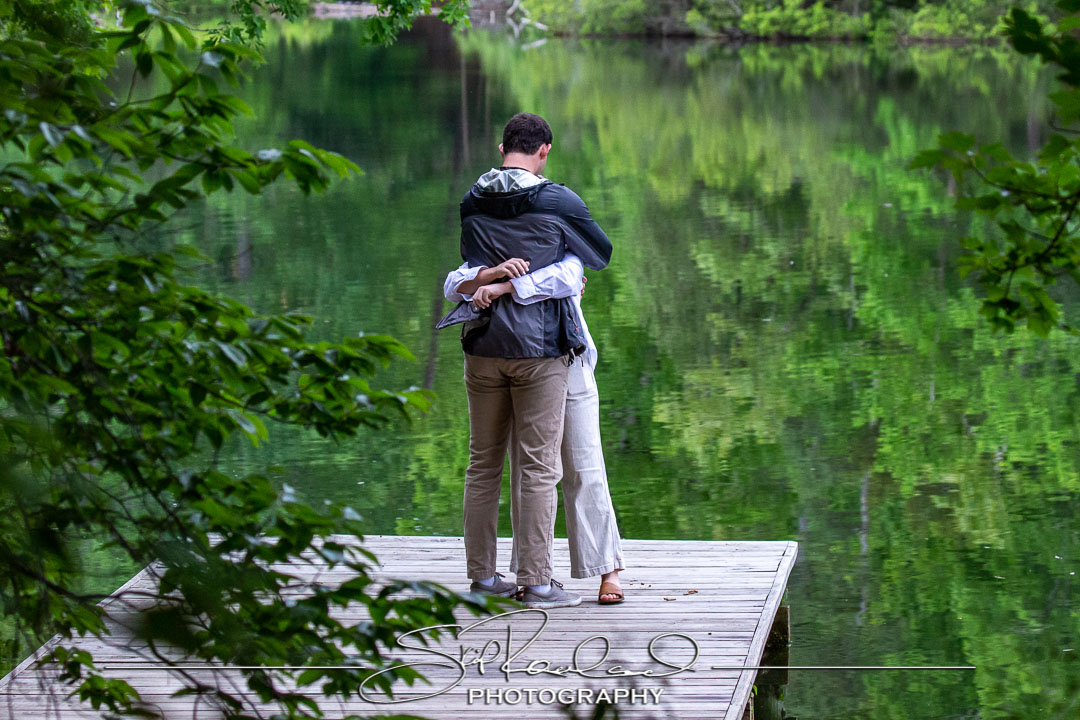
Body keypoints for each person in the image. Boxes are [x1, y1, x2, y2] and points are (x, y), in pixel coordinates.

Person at [452, 112, 612, 609]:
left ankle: (481, 580)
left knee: (482, 467)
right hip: (539, 349)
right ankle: (537, 582)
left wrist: (495, 280)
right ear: (544, 151)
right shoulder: (558, 200)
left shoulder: (473, 200)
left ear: (501, 148)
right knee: (540, 469)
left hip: (482, 345)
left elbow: (466, 269)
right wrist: (548, 262)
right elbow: (597, 255)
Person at [444, 251, 626, 604]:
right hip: (516, 359)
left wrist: (505, 288)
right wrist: (491, 279)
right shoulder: (492, 242)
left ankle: (607, 568)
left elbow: (571, 278)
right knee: (528, 469)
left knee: (583, 463)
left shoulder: (559, 241)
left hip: (566, 357)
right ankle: (530, 573)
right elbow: (455, 285)